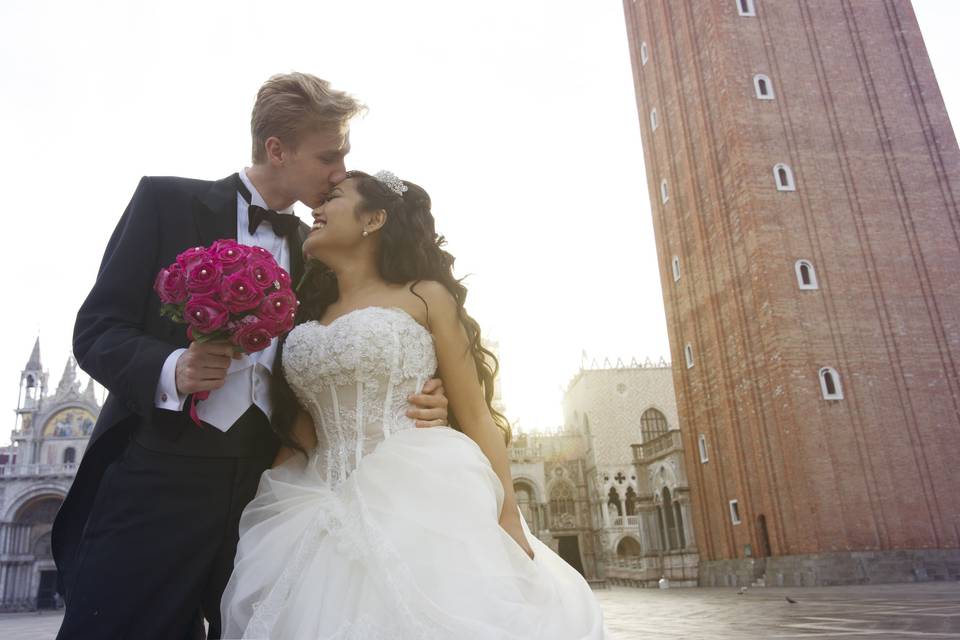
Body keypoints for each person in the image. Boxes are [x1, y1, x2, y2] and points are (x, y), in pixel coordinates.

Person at [52, 74, 449, 640]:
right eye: (329, 156)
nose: (340, 171)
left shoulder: (320, 248)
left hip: (275, 485)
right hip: (161, 472)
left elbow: (363, 333)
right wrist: (173, 369)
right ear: (277, 149)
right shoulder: (166, 202)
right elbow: (97, 329)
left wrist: (425, 391)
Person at [220, 171, 608, 639]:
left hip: (416, 498)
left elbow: (476, 413)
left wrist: (508, 521)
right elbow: (305, 428)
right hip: (315, 501)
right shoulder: (306, 311)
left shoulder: (426, 296)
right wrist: (270, 500)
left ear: (375, 218)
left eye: (333, 198)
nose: (313, 210)